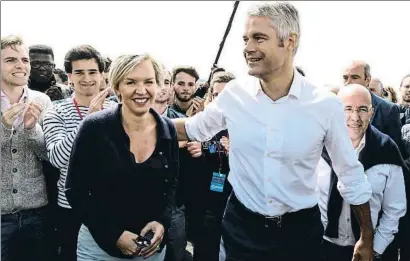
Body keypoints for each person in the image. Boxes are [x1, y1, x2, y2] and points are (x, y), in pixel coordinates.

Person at [172, 2, 373, 261]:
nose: (247, 48)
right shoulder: (234, 94)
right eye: (245, 39)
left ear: (289, 41)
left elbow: (350, 174)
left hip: (300, 236)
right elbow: (192, 129)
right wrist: (131, 120)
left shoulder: (324, 105)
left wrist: (366, 237)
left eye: (258, 38)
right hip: (241, 230)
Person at [65, 54, 178, 261]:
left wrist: (162, 222)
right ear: (117, 87)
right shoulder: (95, 127)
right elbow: (75, 190)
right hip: (99, 249)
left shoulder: (167, 129)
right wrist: (114, 235)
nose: (141, 90)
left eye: (149, 82)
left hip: (150, 251)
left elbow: (171, 185)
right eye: (131, 82)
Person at [317, 84, 407, 261]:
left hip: (371, 250)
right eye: (347, 109)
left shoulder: (386, 149)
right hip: (323, 248)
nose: (355, 117)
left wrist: (374, 250)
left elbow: (394, 209)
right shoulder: (318, 146)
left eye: (362, 109)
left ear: (371, 113)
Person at [43, 44, 116, 261]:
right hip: (71, 208)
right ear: (69, 77)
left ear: (102, 75)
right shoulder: (56, 110)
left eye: (92, 72)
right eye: (79, 72)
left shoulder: (118, 110)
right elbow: (57, 158)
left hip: (112, 204)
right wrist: (88, 120)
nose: (87, 78)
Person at [1, 35, 54, 261]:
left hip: (36, 213)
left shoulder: (42, 100)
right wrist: (4, 127)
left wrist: (32, 130)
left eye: (24, 60)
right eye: (11, 60)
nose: (20, 66)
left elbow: (49, 155)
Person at [193, 71, 235, 261]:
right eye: (216, 95)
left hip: (234, 204)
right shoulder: (200, 123)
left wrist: (236, 151)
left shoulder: (244, 126)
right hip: (205, 202)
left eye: (226, 96)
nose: (221, 101)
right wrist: (198, 151)